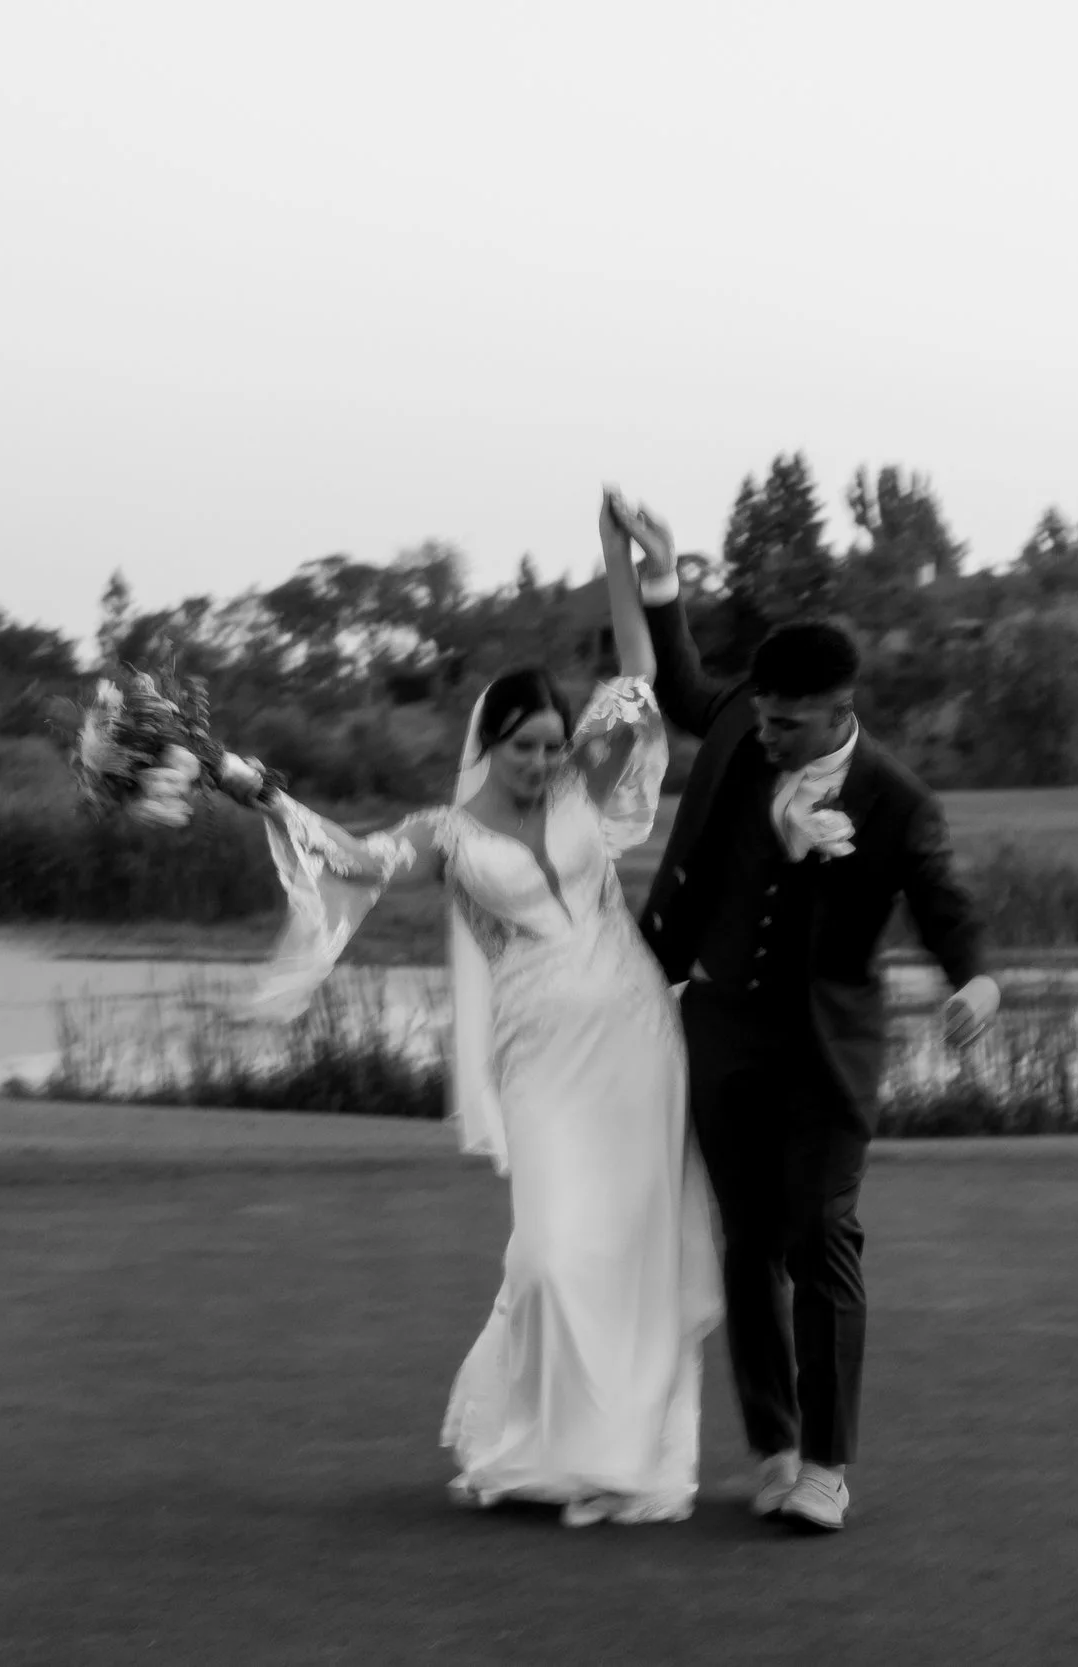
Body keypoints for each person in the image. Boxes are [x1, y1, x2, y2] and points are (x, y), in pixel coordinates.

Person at [216, 490, 719, 1527]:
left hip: (634, 1037)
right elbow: (356, 859)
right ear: (490, 741)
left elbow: (639, 678)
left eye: (550, 744)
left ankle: (615, 1457)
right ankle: (537, 1442)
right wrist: (257, 791)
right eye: (525, 746)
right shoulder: (444, 830)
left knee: (631, 1243)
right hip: (537, 1051)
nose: (542, 762)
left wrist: (613, 556)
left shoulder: (586, 784)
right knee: (548, 1250)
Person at [612, 500, 999, 1534]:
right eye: (762, 715)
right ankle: (775, 1444)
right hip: (721, 1024)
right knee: (746, 1240)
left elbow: (942, 898)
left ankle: (829, 1464)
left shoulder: (898, 800)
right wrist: (661, 581)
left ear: (839, 710)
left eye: (787, 721)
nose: (763, 731)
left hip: (828, 1048)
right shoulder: (746, 716)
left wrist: (975, 981)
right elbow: (688, 686)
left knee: (822, 1231)